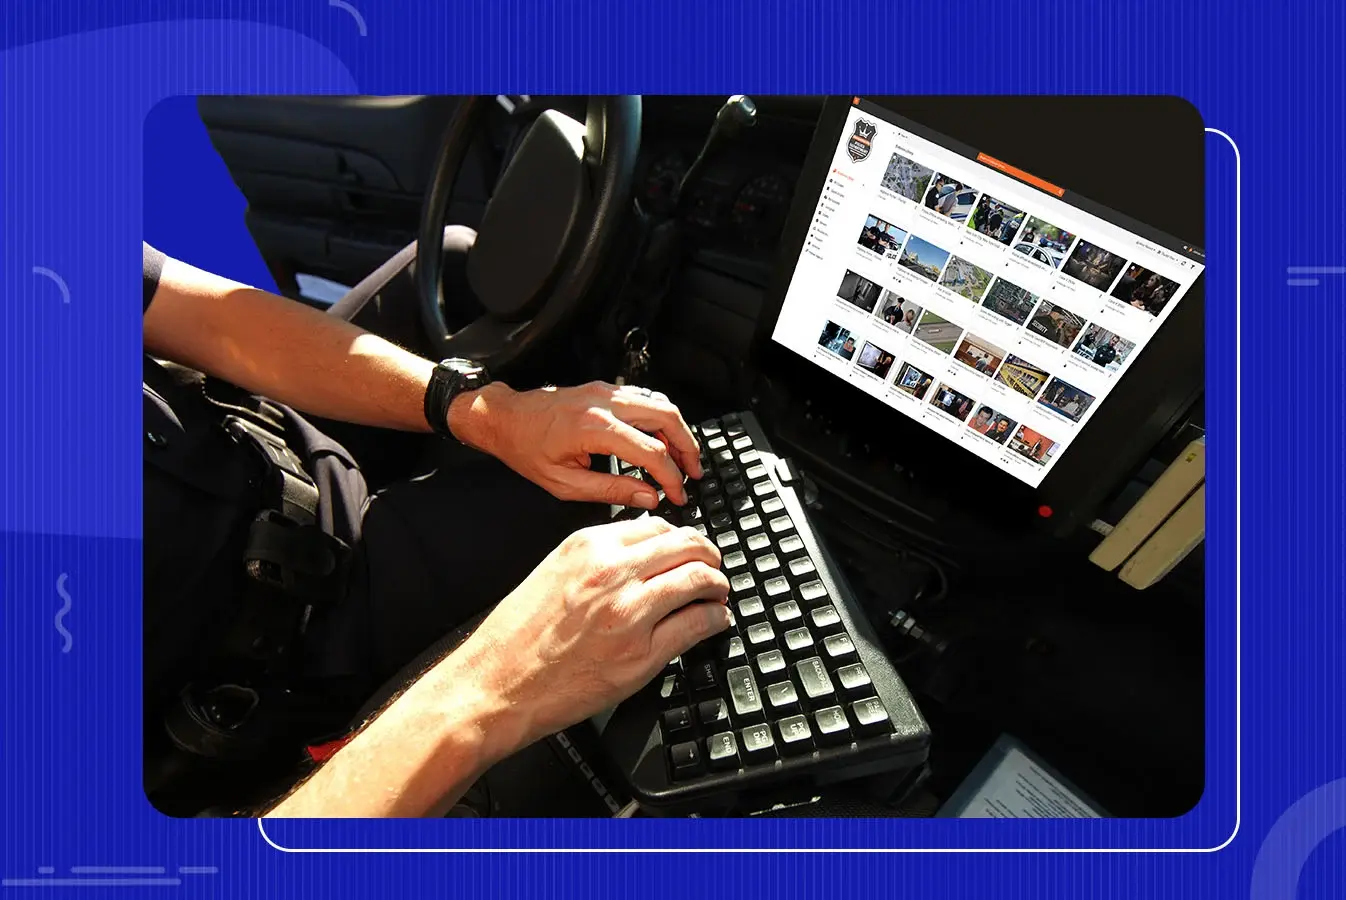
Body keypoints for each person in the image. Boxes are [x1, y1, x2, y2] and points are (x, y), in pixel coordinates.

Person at [141, 243, 731, 818]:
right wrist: (496, 684)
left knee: (460, 262)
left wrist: (483, 411)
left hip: (269, 444)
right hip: (289, 635)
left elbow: (206, 319)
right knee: (626, 522)